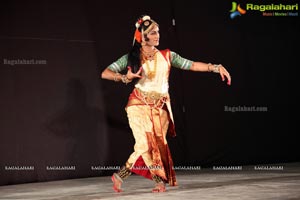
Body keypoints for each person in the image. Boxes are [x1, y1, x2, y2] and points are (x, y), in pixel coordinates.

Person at [101, 15, 231, 193]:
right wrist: (124, 77)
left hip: (161, 107)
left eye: (158, 32)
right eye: (153, 33)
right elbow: (105, 73)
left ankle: (120, 176)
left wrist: (214, 67)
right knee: (144, 145)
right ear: (143, 37)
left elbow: (191, 65)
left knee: (154, 146)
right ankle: (157, 181)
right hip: (138, 105)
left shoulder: (168, 55)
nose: (158, 36)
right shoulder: (131, 58)